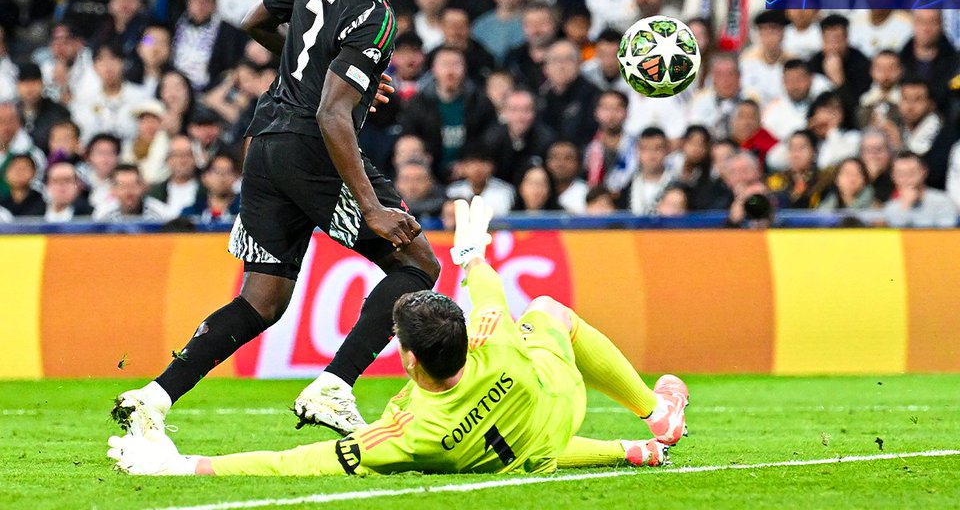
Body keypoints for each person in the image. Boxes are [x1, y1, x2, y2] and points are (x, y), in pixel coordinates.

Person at [112, 0, 444, 440]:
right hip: (312, 148)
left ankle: (153, 397)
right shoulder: (377, 13)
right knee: (418, 265)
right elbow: (332, 114)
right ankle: (334, 386)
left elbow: (255, 22)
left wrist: (323, 71)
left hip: (264, 144)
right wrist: (371, 208)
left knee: (261, 300)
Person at [108, 197, 687, 478]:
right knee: (547, 311)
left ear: (408, 361)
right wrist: (470, 255)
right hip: (557, 404)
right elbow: (488, 293)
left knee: (515, 448)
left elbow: (295, 462)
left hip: (512, 459)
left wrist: (184, 466)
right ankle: (653, 419)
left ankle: (632, 443)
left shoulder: (408, 433)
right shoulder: (495, 341)